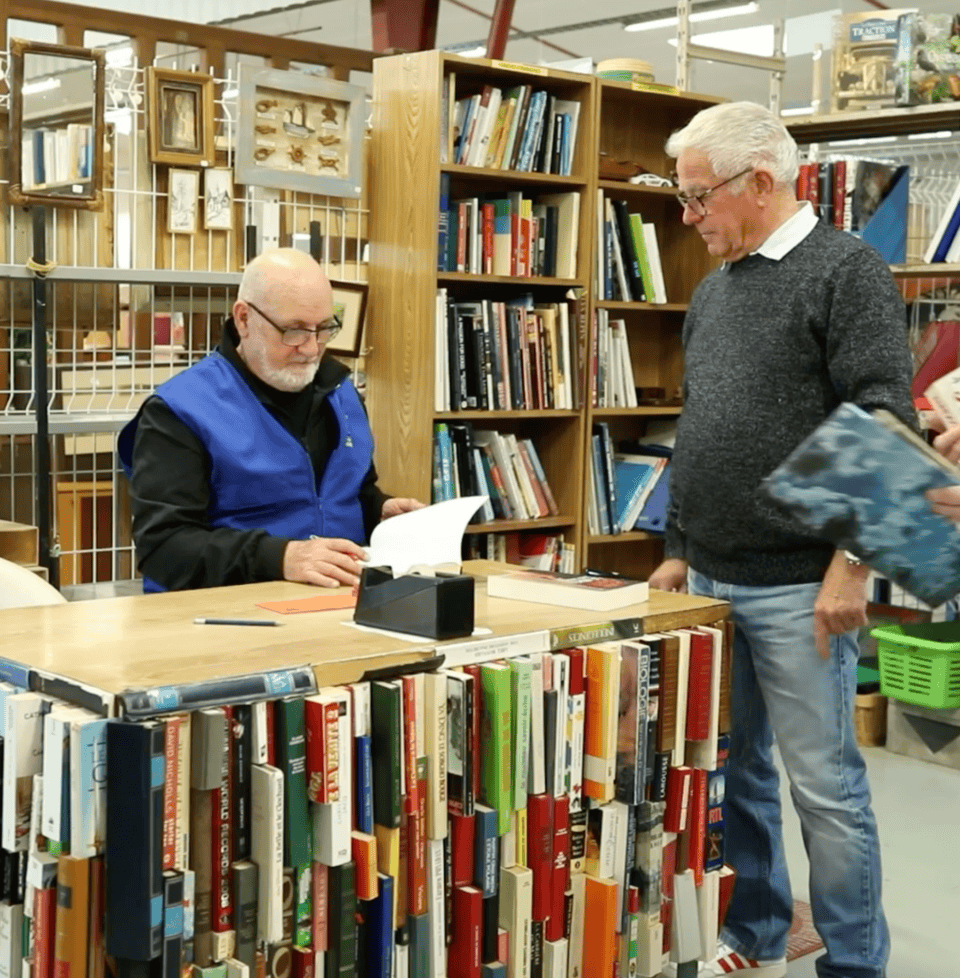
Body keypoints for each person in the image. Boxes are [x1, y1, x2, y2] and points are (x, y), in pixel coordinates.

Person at [650, 102, 915, 978]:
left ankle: (854, 963)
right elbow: (699, 423)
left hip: (803, 585)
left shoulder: (847, 271)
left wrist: (850, 567)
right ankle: (758, 929)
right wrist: (678, 544)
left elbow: (884, 420)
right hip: (710, 577)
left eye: (697, 197)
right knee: (735, 774)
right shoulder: (715, 289)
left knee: (825, 792)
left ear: (759, 182)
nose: (688, 217)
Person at [118, 248, 421, 592]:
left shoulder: (342, 393)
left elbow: (350, 492)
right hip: (230, 611)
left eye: (324, 328)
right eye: (294, 331)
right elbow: (164, 548)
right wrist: (281, 558)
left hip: (340, 603)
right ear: (244, 319)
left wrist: (379, 511)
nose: (312, 348)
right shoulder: (180, 410)